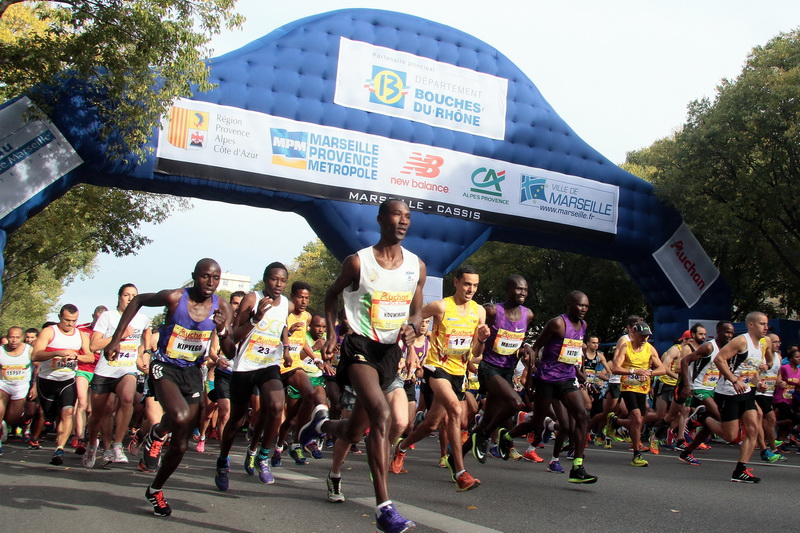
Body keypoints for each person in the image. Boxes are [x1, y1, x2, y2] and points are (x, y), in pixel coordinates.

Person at [298, 199, 424, 533]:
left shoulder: (416, 267)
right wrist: (329, 335)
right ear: (381, 219)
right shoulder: (358, 263)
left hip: (388, 354)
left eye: (408, 217)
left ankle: (320, 426)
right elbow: (330, 295)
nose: (403, 221)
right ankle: (384, 508)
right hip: (358, 348)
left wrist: (413, 327)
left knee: (353, 430)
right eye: (397, 215)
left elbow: (416, 310)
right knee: (382, 415)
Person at [104, 258, 236, 516]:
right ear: (194, 276)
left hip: (192, 372)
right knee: (181, 415)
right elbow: (138, 300)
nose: (210, 283)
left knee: (181, 445)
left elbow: (230, 351)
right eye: (205, 276)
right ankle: (158, 433)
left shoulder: (222, 308)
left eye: (216, 278)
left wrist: (224, 332)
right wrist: (116, 339)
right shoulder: (176, 297)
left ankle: (155, 488)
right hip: (164, 366)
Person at [390, 265, 488, 492]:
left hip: (458, 372)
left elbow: (474, 352)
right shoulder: (441, 306)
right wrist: (412, 347)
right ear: (456, 282)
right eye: (466, 284)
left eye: (474, 285)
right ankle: (460, 472)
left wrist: (481, 340)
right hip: (436, 369)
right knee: (454, 410)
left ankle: (401, 447)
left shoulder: (478, 312)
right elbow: (416, 316)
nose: (471, 289)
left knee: (431, 423)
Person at [214, 262, 293, 490]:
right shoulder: (251, 298)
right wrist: (256, 317)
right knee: (236, 421)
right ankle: (222, 460)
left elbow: (282, 327)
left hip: (268, 365)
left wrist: (286, 348)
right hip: (244, 367)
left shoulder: (286, 303)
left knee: (277, 407)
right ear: (265, 279)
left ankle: (263, 457)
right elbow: (233, 337)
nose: (278, 284)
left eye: (282, 280)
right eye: (273, 279)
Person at [506, 291, 598, 483]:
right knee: (537, 424)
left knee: (582, 416)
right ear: (569, 304)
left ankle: (578, 467)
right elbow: (536, 347)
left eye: (586, 306)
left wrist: (580, 374)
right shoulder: (557, 323)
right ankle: (506, 436)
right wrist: (531, 377)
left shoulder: (583, 326)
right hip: (547, 378)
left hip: (567, 378)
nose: (583, 309)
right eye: (580, 305)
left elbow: (573, 353)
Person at [463, 274, 534, 463]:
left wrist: (524, 349)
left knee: (487, 419)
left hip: (508, 370)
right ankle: (494, 435)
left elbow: (517, 343)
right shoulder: (493, 311)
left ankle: (455, 458)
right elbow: (477, 333)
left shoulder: (528, 315)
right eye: (518, 289)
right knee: (517, 403)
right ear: (508, 290)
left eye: (525, 290)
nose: (522, 293)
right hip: (489, 369)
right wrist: (481, 337)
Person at [696, 312, 770, 483]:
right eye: (762, 324)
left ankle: (740, 470)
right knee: (730, 437)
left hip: (745, 393)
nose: (766, 328)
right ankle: (703, 416)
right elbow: (719, 359)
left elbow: (750, 371)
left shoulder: (762, 345)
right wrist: (734, 380)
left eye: (766, 324)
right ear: (751, 325)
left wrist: (758, 384)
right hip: (728, 392)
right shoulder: (741, 341)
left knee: (753, 428)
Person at [83, 284, 151, 467]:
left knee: (128, 398)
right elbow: (94, 345)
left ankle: (117, 445)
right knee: (100, 413)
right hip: (106, 370)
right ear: (119, 297)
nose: (130, 299)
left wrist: (143, 353)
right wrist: (119, 336)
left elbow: (147, 338)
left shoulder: (143, 319)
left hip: (126, 369)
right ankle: (95, 445)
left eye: (133, 296)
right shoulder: (108, 317)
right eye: (126, 295)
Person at [31, 305, 93, 465]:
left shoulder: (80, 335)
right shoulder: (50, 332)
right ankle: (50, 423)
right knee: (50, 416)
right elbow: (35, 355)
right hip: (47, 380)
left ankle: (59, 449)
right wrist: (57, 353)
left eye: (74, 320)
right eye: (67, 320)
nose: (70, 324)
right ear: (60, 317)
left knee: (67, 412)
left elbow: (90, 357)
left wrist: (76, 358)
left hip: (67, 380)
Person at [607, 321, 665, 467]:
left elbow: (662, 369)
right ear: (634, 334)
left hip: (643, 388)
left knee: (639, 421)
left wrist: (649, 373)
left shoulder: (650, 349)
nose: (645, 339)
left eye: (647, 336)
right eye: (642, 335)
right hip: (628, 387)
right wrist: (634, 371)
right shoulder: (626, 347)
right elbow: (615, 368)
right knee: (637, 419)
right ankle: (636, 454)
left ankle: (616, 422)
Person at [677, 320, 734, 465]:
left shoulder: (728, 349)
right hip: (700, 387)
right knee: (719, 417)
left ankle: (687, 452)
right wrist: (686, 385)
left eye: (732, 333)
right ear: (719, 332)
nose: (730, 335)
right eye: (727, 332)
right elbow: (685, 361)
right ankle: (698, 416)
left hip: (715, 388)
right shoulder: (709, 347)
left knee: (712, 424)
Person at [73, 305, 107, 455]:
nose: (99, 322)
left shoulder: (110, 331)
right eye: (96, 318)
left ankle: (90, 435)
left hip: (100, 370)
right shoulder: (81, 329)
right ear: (93, 316)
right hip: (82, 368)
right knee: (81, 402)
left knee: (91, 408)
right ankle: (79, 437)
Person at [0, 327, 34, 454]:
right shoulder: (1, 350)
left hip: (20, 386)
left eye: (17, 337)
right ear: (7, 337)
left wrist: (34, 386)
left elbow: (37, 367)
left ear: (22, 337)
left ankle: (5, 425)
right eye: (11, 337)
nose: (14, 340)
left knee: (12, 419)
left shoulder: (29, 350)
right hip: (3, 384)